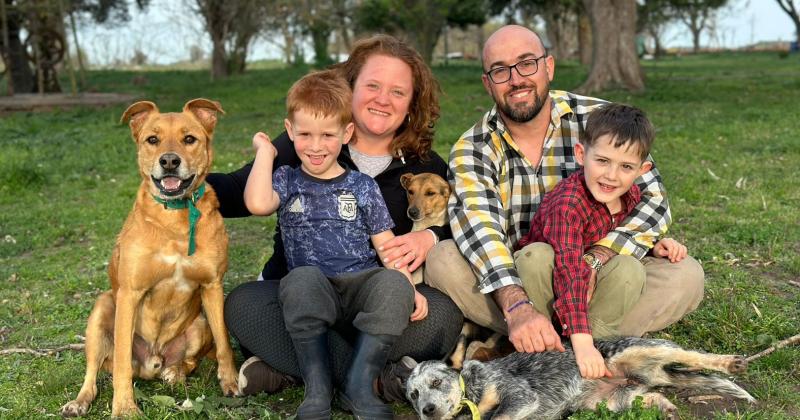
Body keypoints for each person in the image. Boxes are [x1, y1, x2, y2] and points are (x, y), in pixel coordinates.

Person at [206, 34, 463, 403]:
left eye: (397, 92)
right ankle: (371, 382)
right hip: (300, 296)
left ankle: (297, 369)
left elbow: (462, 220)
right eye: (372, 85)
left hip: (376, 306)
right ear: (350, 88)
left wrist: (432, 236)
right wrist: (184, 182)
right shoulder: (311, 139)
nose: (382, 99)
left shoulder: (426, 167)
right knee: (244, 304)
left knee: (441, 316)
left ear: (411, 104)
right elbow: (240, 190)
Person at [425, 25, 704, 355]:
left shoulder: (598, 119)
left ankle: (566, 346)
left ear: (549, 67)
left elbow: (653, 200)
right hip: (524, 277)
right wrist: (517, 307)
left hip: (600, 277)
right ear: (488, 84)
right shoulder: (473, 148)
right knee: (443, 261)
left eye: (527, 63)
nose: (516, 79)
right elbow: (480, 228)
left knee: (685, 275)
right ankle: (551, 335)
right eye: (500, 71)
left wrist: (597, 259)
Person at [243, 70, 425, 419]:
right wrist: (265, 153)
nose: (315, 146)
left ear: (346, 134)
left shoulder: (362, 186)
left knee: (390, 283)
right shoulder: (286, 179)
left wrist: (406, 286)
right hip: (313, 292)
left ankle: (360, 386)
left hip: (359, 289)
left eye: (327, 135)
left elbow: (387, 246)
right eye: (305, 134)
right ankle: (318, 389)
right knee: (299, 279)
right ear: (290, 130)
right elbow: (256, 203)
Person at [514, 103, 689, 379]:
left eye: (626, 166)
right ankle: (556, 346)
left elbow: (622, 234)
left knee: (629, 268)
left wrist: (655, 245)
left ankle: (599, 346)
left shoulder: (630, 196)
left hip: (589, 293)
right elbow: (569, 270)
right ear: (582, 154)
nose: (611, 175)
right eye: (603, 161)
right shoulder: (568, 204)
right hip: (549, 285)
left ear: (642, 170)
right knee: (535, 257)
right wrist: (581, 342)